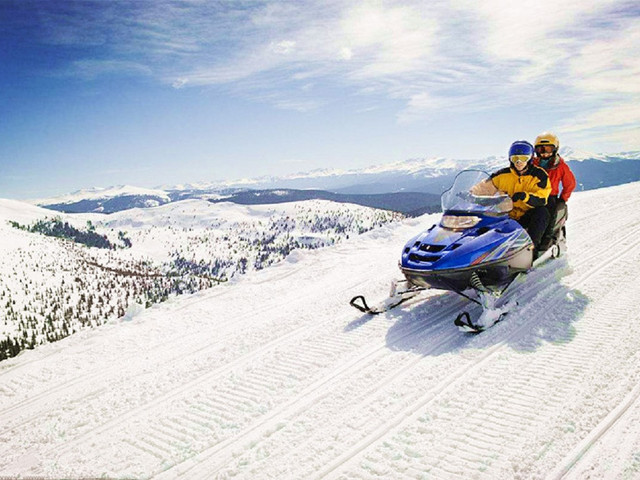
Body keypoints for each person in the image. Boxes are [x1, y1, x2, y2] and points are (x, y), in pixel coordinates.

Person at [489, 140, 551, 253]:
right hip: (506, 215)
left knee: (542, 212)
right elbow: (484, 187)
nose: (518, 162)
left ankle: (531, 249)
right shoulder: (501, 175)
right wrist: (471, 194)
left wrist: (525, 197)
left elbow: (542, 199)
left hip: (526, 216)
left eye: (523, 158)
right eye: (515, 158)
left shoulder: (539, 175)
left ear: (530, 158)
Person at [532, 132, 576, 249]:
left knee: (548, 216)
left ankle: (546, 239)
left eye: (548, 149)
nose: (545, 152)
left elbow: (570, 183)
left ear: (555, 149)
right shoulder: (532, 163)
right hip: (532, 195)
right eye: (541, 149)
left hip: (549, 197)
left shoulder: (560, 165)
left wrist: (563, 199)